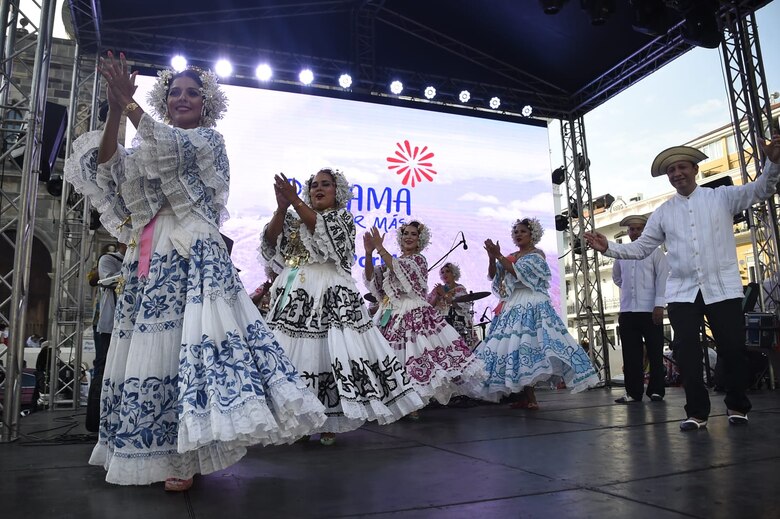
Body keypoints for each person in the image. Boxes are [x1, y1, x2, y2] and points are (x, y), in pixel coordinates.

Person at [64, 53, 326, 489]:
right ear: (164, 102)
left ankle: (183, 456)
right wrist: (114, 109)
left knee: (186, 347)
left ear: (206, 105)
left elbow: (173, 148)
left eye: (191, 93)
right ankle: (154, 447)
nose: (181, 98)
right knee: (151, 348)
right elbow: (110, 166)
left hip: (192, 252)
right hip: (150, 252)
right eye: (174, 93)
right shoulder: (150, 144)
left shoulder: (208, 142)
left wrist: (130, 107)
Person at [585, 137, 780, 431]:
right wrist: (608, 248)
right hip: (683, 292)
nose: (677, 174)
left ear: (695, 170)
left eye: (682, 167)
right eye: (671, 171)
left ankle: (737, 405)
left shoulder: (722, 197)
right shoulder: (663, 212)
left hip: (722, 287)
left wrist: (773, 162)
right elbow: (641, 248)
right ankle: (697, 413)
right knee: (687, 352)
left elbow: (762, 189)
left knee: (733, 349)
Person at [261, 168, 424, 445]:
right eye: (314, 185)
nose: (318, 189)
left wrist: (297, 204)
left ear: (338, 191)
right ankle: (302, 418)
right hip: (297, 292)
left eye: (326, 184)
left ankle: (330, 421)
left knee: (329, 353)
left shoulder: (342, 218)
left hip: (331, 291)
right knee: (298, 356)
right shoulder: (295, 218)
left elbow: (329, 240)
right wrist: (281, 208)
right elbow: (270, 243)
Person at [474, 217, 600, 407]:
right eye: (516, 231)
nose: (518, 234)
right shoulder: (511, 256)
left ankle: (531, 398)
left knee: (529, 345)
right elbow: (494, 275)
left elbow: (520, 273)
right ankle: (526, 397)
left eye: (522, 231)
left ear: (532, 234)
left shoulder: (536, 254)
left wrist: (499, 256)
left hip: (532, 302)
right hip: (513, 304)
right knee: (516, 349)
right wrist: (492, 257)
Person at [363, 221, 486, 410]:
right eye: (405, 233)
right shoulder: (393, 261)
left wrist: (380, 247)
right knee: (391, 356)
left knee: (414, 354)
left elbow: (400, 270)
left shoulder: (418, 260)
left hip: (414, 311)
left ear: (420, 240)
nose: (409, 237)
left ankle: (414, 402)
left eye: (413, 234)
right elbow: (373, 278)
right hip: (391, 311)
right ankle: (396, 401)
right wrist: (369, 252)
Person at [611, 214, 669, 404]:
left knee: (654, 351)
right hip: (628, 311)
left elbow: (662, 278)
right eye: (632, 229)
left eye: (639, 229)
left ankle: (656, 390)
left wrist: (659, 304)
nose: (635, 232)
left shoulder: (655, 252)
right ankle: (633, 393)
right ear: (628, 232)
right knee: (631, 355)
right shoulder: (622, 252)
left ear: (646, 230)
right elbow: (617, 278)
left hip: (650, 309)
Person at [427, 263, 478, 349]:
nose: (444, 274)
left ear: (454, 273)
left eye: (447, 271)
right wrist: (436, 295)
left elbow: (460, 305)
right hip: (440, 324)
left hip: (457, 323)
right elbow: (428, 306)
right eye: (442, 272)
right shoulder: (438, 289)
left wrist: (443, 294)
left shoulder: (460, 288)